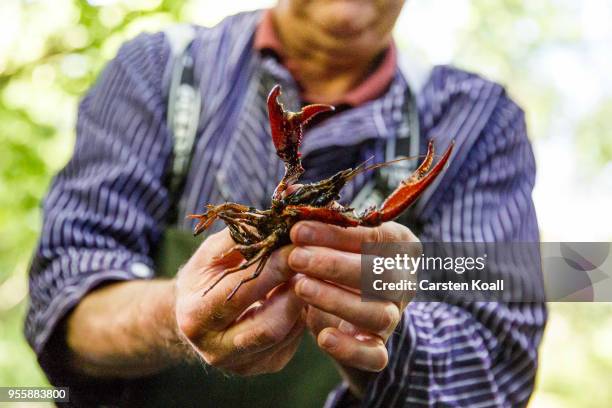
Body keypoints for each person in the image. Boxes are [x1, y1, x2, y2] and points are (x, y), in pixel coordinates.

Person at [26, 1, 546, 406]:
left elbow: (510, 335)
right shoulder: (158, 68)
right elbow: (63, 290)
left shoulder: (481, 119)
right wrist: (175, 311)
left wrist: (381, 328)